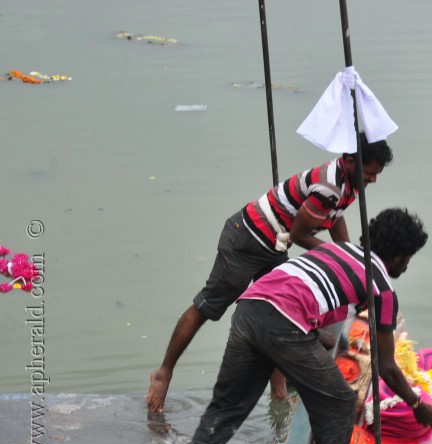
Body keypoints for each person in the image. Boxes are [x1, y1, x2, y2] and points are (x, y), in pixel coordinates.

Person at [175, 207, 432, 444]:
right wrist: (417, 404)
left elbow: (310, 297)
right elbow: (386, 366)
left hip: (249, 309)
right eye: (408, 258)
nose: (407, 266)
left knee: (226, 408)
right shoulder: (383, 289)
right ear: (401, 254)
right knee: (341, 400)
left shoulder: (332, 249)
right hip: (283, 324)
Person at [146, 134, 394, 414]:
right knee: (208, 306)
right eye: (370, 173)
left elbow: (335, 216)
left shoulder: (350, 183)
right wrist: (339, 258)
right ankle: (164, 372)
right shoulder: (329, 186)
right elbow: (300, 234)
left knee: (278, 310)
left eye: (375, 175)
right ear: (350, 161)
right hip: (247, 239)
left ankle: (278, 390)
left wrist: (348, 253)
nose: (372, 180)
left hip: (275, 244)